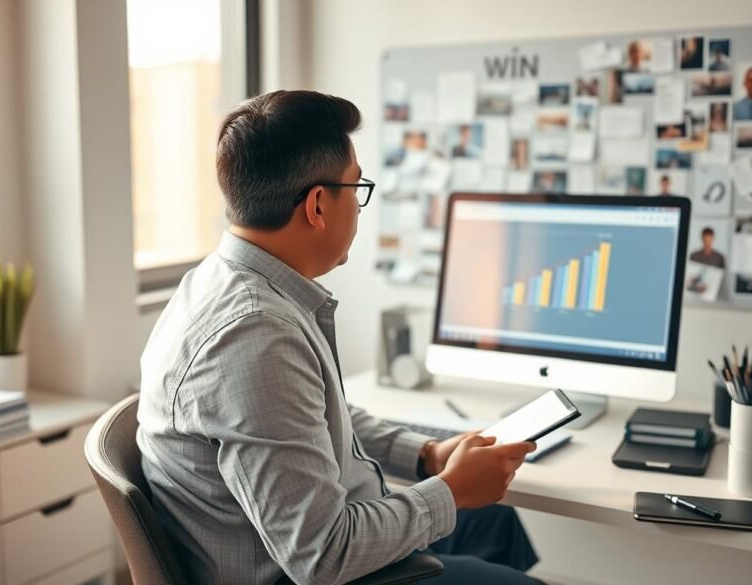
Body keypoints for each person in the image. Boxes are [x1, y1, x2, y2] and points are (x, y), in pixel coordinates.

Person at [137, 90, 544, 585]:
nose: (359, 203)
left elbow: (308, 416)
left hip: (321, 535)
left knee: (496, 524)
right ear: (317, 206)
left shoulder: (225, 281)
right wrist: (452, 491)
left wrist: (424, 455)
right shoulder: (254, 336)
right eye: (357, 187)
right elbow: (322, 557)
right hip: (314, 571)